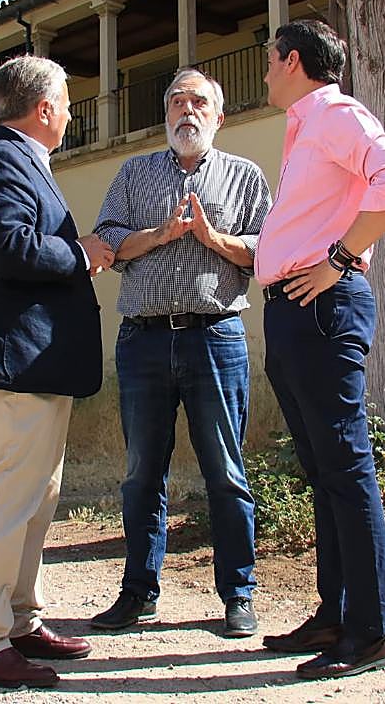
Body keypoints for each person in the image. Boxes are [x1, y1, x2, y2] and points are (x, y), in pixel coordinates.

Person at [256, 20, 385, 680]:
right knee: (325, 470)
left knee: (346, 469)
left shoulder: (334, 113)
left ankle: (372, 630)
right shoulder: (306, 127)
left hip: (323, 307)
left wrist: (341, 258)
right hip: (296, 312)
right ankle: (336, 612)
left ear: (293, 61)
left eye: (269, 62)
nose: (264, 73)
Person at [0, 55, 115, 689]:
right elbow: (9, 246)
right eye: (67, 102)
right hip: (14, 362)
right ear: (43, 109)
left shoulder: (20, 162)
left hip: (35, 365)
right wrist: (83, 253)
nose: (72, 113)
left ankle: (17, 621)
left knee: (35, 502)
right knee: (5, 502)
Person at [91, 68, 271, 638]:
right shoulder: (134, 172)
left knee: (226, 471)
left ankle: (238, 595)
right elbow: (108, 242)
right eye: (175, 102)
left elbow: (267, 251)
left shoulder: (245, 176)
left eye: (198, 102)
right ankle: (138, 593)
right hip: (143, 339)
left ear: (219, 116)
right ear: (164, 114)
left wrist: (214, 240)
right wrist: (163, 235)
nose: (185, 112)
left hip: (214, 337)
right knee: (143, 472)